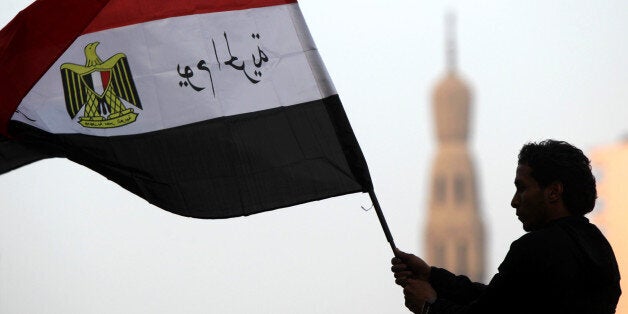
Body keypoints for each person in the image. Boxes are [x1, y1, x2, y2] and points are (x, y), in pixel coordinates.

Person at [391, 140, 621, 313]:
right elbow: (500, 299)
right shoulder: (598, 248)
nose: (514, 201)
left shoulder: (535, 249)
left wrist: (428, 306)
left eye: (522, 188)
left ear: (553, 192)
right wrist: (432, 276)